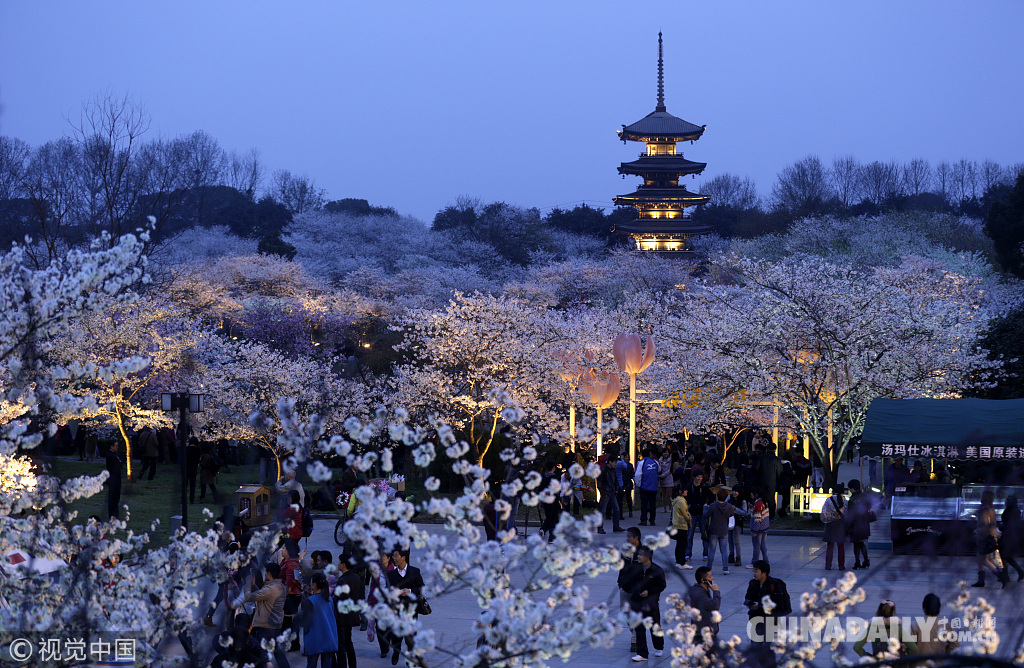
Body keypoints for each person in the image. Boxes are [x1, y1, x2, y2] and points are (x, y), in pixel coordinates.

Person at [231, 562, 290, 668]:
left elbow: (250, 597)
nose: (265, 574)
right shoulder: (281, 586)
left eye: (266, 572)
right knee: (278, 652)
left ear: (270, 574)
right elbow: (263, 595)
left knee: (259, 652)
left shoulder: (270, 589)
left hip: (265, 626)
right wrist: (254, 585)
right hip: (276, 625)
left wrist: (248, 585)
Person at [744, 559, 792, 665]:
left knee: (769, 649)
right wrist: (750, 603)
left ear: (764, 573)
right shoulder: (753, 583)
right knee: (755, 648)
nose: (754, 573)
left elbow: (778, 604)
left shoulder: (775, 585)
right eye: (754, 571)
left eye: (756, 571)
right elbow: (747, 597)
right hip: (755, 620)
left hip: (770, 621)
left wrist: (759, 606)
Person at [385, 548, 425, 666]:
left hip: (411, 610)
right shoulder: (390, 574)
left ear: (403, 557)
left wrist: (410, 591)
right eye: (393, 556)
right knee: (396, 634)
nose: (394, 558)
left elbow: (422, 588)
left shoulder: (414, 571)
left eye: (396, 556)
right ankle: (396, 652)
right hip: (397, 609)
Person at [628, 546, 666, 662]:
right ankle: (642, 653)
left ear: (647, 557)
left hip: (651, 603)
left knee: (655, 626)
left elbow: (662, 585)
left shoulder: (657, 570)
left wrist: (649, 592)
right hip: (637, 602)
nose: (638, 556)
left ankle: (659, 647)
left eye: (640, 555)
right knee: (639, 628)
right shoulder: (636, 569)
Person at [294, 571, 338, 668]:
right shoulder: (329, 599)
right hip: (329, 637)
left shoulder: (309, 601)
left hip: (315, 639)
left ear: (314, 585)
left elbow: (306, 622)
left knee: (311, 665)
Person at [853, 600, 918, 657]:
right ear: (893, 612)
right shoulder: (898, 629)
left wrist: (871, 658)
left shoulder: (872, 628)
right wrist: (904, 658)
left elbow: (857, 647)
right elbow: (914, 649)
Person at [704, 489, 747, 574]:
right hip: (724, 530)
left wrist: (705, 507)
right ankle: (725, 568)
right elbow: (731, 515)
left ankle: (708, 568)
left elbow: (706, 514)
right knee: (724, 550)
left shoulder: (713, 506)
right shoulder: (729, 507)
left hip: (714, 530)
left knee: (712, 550)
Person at [973, 489, 1009, 587]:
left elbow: (984, 523)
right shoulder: (991, 508)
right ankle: (981, 581)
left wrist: (978, 531)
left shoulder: (983, 509)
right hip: (991, 536)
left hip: (984, 537)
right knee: (980, 558)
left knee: (983, 560)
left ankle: (1001, 575)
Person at [334, 552, 364, 668]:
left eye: (339, 562)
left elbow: (337, 599)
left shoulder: (343, 580)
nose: (338, 564)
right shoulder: (356, 577)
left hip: (342, 617)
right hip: (351, 615)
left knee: (341, 646)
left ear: (344, 564)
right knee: (348, 644)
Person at [366, 552, 396, 658]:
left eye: (383, 556)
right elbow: (372, 585)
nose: (380, 558)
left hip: (388, 604)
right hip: (377, 602)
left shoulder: (393, 571)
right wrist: (370, 598)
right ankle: (384, 649)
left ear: (388, 558)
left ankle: (387, 643)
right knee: (379, 628)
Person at [617, 527, 643, 653]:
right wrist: (620, 581)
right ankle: (634, 632)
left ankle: (635, 637)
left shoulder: (644, 551)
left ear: (636, 538)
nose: (627, 539)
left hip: (637, 588)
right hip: (625, 587)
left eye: (629, 537)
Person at [911, 593, 959, 659]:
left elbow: (909, 648)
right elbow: (955, 645)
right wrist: (945, 652)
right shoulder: (946, 626)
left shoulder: (915, 626)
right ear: (939, 608)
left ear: (924, 608)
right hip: (939, 664)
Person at [846, 480, 876, 570]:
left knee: (856, 544)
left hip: (855, 525)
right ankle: (866, 561)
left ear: (852, 488)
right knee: (862, 542)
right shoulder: (865, 497)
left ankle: (857, 562)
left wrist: (848, 527)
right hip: (865, 523)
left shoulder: (852, 500)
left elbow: (851, 515)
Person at [685, 468, 712, 566]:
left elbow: (712, 496)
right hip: (692, 513)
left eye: (701, 477)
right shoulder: (689, 487)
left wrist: (707, 505)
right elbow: (685, 497)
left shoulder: (704, 487)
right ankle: (688, 553)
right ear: (694, 477)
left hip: (702, 513)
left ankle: (705, 553)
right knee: (689, 534)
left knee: (704, 533)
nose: (699, 479)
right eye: (698, 477)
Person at [688, 566, 721, 642]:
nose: (712, 578)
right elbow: (714, 605)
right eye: (710, 577)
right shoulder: (700, 593)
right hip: (703, 632)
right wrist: (716, 591)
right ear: (703, 580)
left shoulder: (703, 590)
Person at [820, 484, 847, 571]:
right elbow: (846, 512)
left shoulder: (828, 500)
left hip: (830, 524)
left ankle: (828, 565)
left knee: (830, 546)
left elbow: (824, 512)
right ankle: (841, 565)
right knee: (841, 546)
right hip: (840, 524)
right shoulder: (844, 499)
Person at [597, 454, 623, 534]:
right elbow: (599, 483)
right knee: (602, 510)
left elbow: (615, 480)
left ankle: (616, 526)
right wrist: (603, 492)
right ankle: (600, 528)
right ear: (610, 462)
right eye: (614, 462)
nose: (615, 464)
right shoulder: (603, 471)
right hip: (606, 493)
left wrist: (616, 488)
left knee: (616, 509)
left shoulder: (612, 470)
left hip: (611, 492)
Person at [1000, 495, 1024, 582]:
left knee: (1004, 556)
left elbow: (1008, 524)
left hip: (1007, 536)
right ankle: (1017, 572)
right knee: (1005, 556)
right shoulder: (1016, 511)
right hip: (1013, 536)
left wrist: (1000, 527)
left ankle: (1007, 575)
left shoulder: (1009, 512)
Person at [757, 443, 785, 518]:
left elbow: (756, 468)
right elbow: (780, 472)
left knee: (762, 497)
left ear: (767, 449)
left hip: (761, 480)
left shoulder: (761, 457)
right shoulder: (776, 459)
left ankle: (761, 513)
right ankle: (771, 515)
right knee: (771, 499)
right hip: (772, 482)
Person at [635, 448, 661, 526]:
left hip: (644, 486)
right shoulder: (655, 462)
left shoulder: (641, 463)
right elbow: (659, 470)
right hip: (654, 486)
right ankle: (652, 520)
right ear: (650, 453)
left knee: (644, 504)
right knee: (653, 504)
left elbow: (638, 475)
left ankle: (644, 520)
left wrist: (638, 484)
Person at [540, 460, 562, 542]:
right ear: (553, 467)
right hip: (553, 500)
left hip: (545, 499)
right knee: (554, 518)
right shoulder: (554, 478)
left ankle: (543, 529)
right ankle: (551, 536)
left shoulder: (543, 477)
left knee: (548, 516)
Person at [670, 486, 691, 568]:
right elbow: (685, 514)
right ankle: (682, 562)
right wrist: (689, 518)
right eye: (685, 490)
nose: (686, 491)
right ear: (680, 491)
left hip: (676, 524)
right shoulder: (681, 501)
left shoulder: (675, 500)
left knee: (679, 544)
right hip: (682, 525)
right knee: (683, 545)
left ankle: (678, 562)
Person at [749, 487, 770, 566]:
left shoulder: (758, 504)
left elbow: (757, 518)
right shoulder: (764, 502)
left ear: (756, 495)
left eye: (752, 493)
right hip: (765, 527)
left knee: (756, 547)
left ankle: (754, 562)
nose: (751, 494)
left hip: (758, 529)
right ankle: (766, 561)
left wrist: (755, 531)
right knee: (763, 546)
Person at [104, 440, 122, 520]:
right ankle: (112, 515)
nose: (117, 447)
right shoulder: (110, 455)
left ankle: (115, 514)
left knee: (116, 497)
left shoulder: (114, 455)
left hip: (117, 478)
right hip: (113, 478)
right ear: (112, 447)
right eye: (116, 446)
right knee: (112, 497)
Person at [185, 437, 201, 504]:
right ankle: (192, 499)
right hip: (194, 468)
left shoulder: (186, 449)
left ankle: (183, 498)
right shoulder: (198, 450)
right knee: (192, 485)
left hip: (186, 468)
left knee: (184, 485)